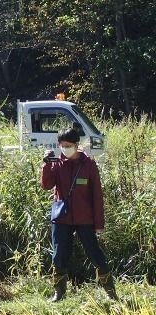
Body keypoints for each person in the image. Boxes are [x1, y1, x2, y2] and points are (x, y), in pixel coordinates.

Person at [41, 128, 118, 301]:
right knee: (59, 255)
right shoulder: (56, 163)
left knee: (94, 253)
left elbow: (97, 195)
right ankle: (59, 293)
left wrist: (99, 224)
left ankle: (110, 292)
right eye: (62, 145)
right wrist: (46, 165)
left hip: (85, 218)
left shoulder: (88, 164)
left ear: (77, 145)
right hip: (62, 217)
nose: (65, 149)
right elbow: (46, 185)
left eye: (68, 145)